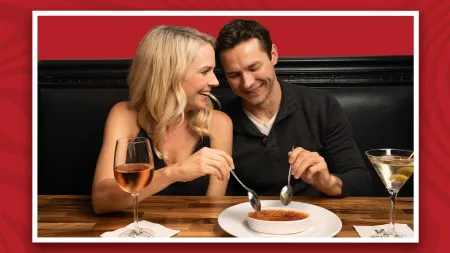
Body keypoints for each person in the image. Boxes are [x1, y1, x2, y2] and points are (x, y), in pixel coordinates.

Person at [215, 19, 372, 197]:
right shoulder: (219, 118)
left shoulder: (322, 105)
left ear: (273, 54)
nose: (247, 83)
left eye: (254, 67)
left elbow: (361, 181)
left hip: (313, 218)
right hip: (245, 218)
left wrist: (328, 182)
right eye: (234, 75)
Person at [92, 25, 234, 214]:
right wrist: (174, 173)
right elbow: (101, 202)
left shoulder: (219, 123)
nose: (215, 81)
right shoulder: (124, 115)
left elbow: (211, 210)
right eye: (204, 71)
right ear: (170, 75)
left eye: (213, 71)